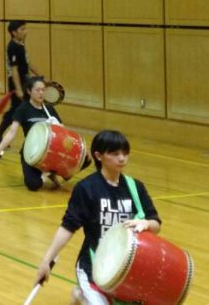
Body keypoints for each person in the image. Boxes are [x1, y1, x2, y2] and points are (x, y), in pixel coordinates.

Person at [33, 130, 161, 305]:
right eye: (115, 154)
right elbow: (67, 228)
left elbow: (156, 225)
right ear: (98, 156)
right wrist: (46, 260)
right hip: (92, 267)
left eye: (125, 153)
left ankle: (81, 296)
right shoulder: (86, 188)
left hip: (127, 269)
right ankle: (85, 294)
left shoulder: (135, 187)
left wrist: (145, 223)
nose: (122, 158)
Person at [0, 76, 88, 191]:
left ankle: (55, 173)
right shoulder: (23, 109)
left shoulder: (50, 109)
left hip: (53, 152)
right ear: (29, 91)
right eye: (37, 90)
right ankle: (49, 173)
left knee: (85, 159)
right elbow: (12, 132)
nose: (41, 93)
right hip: (31, 152)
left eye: (43, 90)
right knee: (33, 185)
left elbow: (63, 132)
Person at [0, 20, 40, 143]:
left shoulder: (21, 44)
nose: (26, 32)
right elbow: (14, 70)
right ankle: (0, 134)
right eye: (22, 29)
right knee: (19, 109)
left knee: (18, 109)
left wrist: (40, 77)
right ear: (13, 33)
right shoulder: (12, 47)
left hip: (25, 81)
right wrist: (19, 89)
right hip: (16, 83)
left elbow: (28, 63)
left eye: (26, 28)